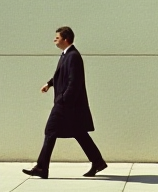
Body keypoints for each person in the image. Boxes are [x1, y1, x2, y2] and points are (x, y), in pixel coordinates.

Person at [23, 26, 107, 179]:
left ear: (66, 39)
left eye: (57, 37)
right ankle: (98, 161)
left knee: (50, 131)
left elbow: (74, 82)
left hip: (66, 104)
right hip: (68, 104)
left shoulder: (73, 56)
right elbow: (61, 74)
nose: (55, 39)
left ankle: (41, 168)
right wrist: (49, 84)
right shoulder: (66, 55)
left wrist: (63, 100)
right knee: (79, 132)